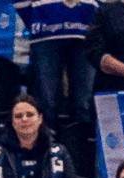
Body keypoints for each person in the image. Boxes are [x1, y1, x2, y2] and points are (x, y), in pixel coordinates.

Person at [18, 0, 96, 128]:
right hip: (45, 34)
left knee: (84, 100)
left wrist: (96, 12)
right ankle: (47, 138)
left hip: (85, 31)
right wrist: (34, 19)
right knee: (46, 99)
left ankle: (81, 138)